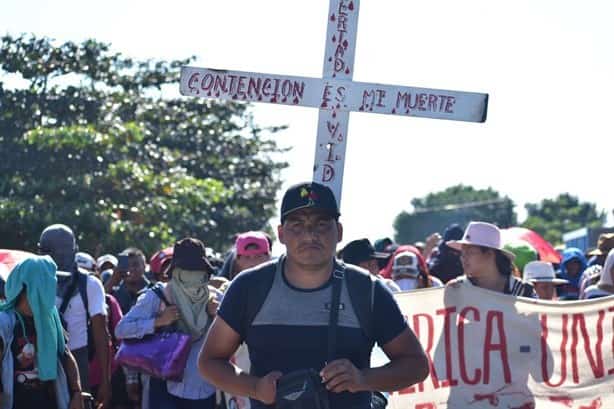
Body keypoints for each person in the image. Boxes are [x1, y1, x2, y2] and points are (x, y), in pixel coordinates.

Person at [198, 181, 429, 409]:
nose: (309, 234)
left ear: (338, 231)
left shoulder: (367, 289)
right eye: (297, 224)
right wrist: (255, 387)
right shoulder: (249, 287)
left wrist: (362, 379)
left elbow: (416, 365)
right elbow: (209, 361)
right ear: (281, 233)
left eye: (321, 224)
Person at [115, 238, 221, 409]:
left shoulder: (215, 298)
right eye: (186, 270)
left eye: (196, 270)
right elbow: (121, 330)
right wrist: (159, 321)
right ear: (176, 271)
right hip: (164, 384)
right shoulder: (158, 296)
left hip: (203, 387)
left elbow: (236, 339)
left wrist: (218, 316)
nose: (191, 276)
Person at [38, 224, 111, 406]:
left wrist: (105, 380)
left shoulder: (89, 284)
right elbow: (102, 335)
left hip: (74, 361)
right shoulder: (34, 282)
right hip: (40, 357)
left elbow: (101, 334)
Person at [0, 256, 83, 409]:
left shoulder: (51, 318)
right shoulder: (4, 322)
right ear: (25, 288)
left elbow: (65, 354)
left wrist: (77, 392)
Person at [446, 221, 536, 297]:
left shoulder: (523, 291)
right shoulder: (457, 288)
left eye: (470, 252)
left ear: (490, 254)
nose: (463, 258)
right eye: (462, 253)